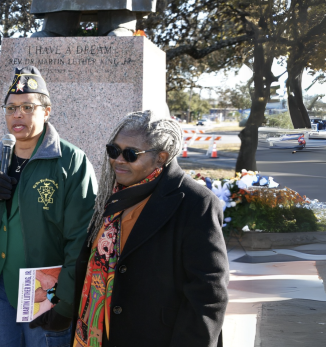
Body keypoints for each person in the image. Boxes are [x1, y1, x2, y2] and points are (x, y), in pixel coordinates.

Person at [0, 66, 98, 347]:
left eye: (26, 107)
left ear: (46, 111)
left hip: (46, 290)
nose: (17, 115)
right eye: (10, 108)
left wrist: (66, 301)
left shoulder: (71, 162)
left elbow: (80, 239)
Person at [72, 110, 229, 347]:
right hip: (97, 334)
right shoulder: (111, 196)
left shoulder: (196, 203)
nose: (119, 160)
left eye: (131, 154)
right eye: (114, 150)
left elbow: (208, 294)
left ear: (161, 157)